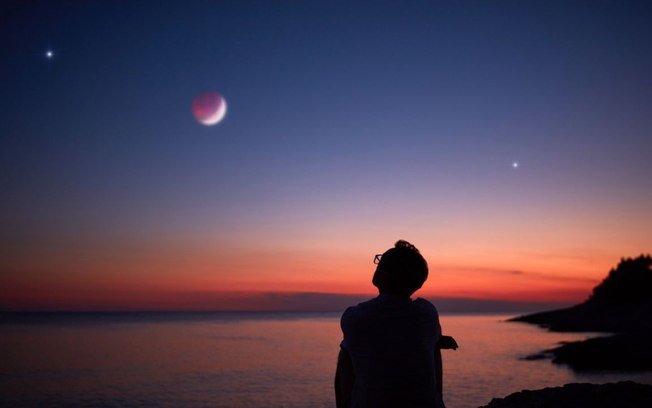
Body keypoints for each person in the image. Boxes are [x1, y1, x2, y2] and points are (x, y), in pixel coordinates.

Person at [335, 240, 457, 408]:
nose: (376, 264)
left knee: (345, 352)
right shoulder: (427, 313)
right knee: (434, 344)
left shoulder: (356, 317)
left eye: (380, 260)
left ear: (385, 273)